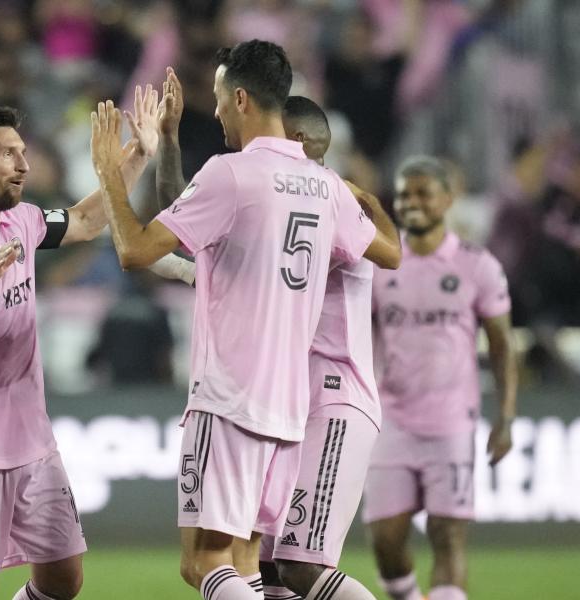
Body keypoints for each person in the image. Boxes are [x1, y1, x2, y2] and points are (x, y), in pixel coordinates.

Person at [88, 40, 400, 600]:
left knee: (204, 563)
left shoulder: (231, 174)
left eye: (218, 99)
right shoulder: (327, 188)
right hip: (288, 409)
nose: (217, 112)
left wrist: (110, 170)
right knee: (252, 562)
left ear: (240, 97)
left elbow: (134, 250)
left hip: (230, 395)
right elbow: (386, 252)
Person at [0, 92, 161, 600]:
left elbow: (86, 220)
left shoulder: (23, 221)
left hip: (31, 439)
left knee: (63, 577)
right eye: (9, 154)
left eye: (24, 152)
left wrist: (139, 155)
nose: (24, 164)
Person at [363, 156, 518, 600]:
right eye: (404, 194)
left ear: (448, 199)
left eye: (422, 193)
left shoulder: (477, 265)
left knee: (448, 535)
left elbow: (503, 346)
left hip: (451, 423)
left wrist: (505, 418)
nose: (410, 203)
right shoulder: (381, 265)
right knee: (386, 540)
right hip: (390, 421)